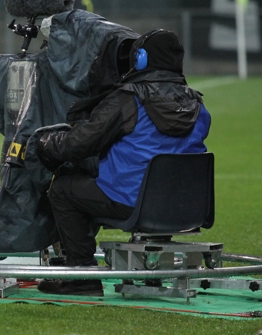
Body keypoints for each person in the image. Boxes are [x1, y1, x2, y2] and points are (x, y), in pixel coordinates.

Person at [35, 29, 211, 296]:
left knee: (63, 189)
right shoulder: (199, 107)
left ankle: (81, 276)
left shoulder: (128, 100)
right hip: (188, 210)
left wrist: (46, 142)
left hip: (131, 203)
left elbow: (78, 144)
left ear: (139, 59)